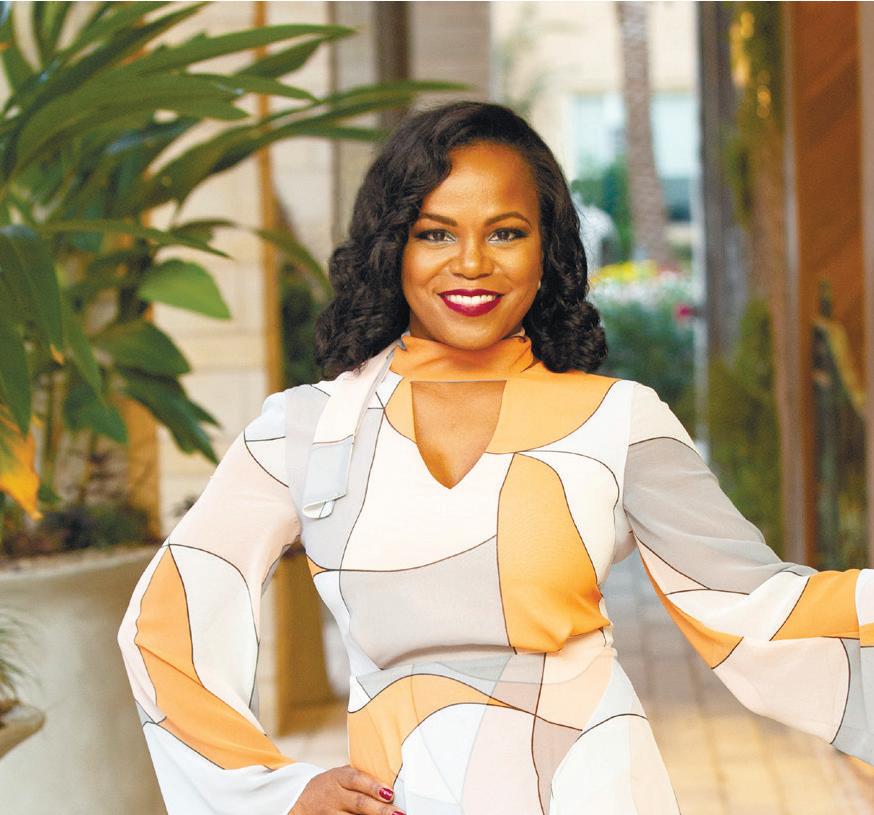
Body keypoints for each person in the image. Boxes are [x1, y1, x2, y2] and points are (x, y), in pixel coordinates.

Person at [117, 100, 874, 815]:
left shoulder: (619, 419)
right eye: (435, 233)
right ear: (392, 248)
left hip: (594, 787)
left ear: (548, 249)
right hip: (408, 792)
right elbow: (166, 622)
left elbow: (756, 605)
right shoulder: (306, 429)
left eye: (506, 233)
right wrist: (274, 790)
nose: (472, 262)